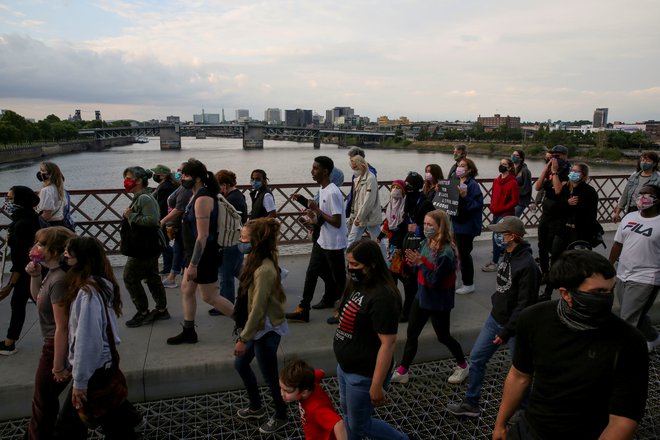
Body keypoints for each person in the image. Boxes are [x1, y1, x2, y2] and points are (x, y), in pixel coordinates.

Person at [492, 250, 648, 440]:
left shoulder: (628, 340)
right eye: (597, 292)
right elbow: (519, 376)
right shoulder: (534, 319)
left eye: (610, 290)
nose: (607, 297)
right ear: (566, 294)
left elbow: (623, 419)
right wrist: (500, 424)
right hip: (532, 429)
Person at [446, 217, 540, 418]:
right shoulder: (507, 254)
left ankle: (525, 410)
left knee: (520, 370)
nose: (497, 236)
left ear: (513, 236)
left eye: (501, 233)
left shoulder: (528, 266)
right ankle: (471, 403)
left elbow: (525, 304)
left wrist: (507, 331)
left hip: (515, 328)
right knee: (477, 359)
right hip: (494, 319)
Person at [55, 236, 141, 439]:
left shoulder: (88, 293)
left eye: (68, 254)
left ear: (81, 259)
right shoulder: (100, 284)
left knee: (66, 427)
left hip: (93, 369)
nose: (64, 257)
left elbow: (87, 339)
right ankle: (130, 420)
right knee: (113, 420)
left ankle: (129, 421)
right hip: (102, 365)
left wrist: (80, 381)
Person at [333, 239, 408, 440]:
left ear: (372, 265)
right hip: (345, 367)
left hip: (363, 374)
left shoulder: (383, 296)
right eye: (348, 263)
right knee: (349, 417)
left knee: (360, 425)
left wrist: (376, 385)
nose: (350, 269)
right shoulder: (358, 283)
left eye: (355, 265)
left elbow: (388, 343)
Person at [391, 209, 468, 385]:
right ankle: (403, 370)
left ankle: (463, 365)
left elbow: (434, 279)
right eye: (424, 224)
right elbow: (419, 271)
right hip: (422, 295)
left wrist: (420, 263)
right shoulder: (427, 243)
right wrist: (407, 264)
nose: (425, 228)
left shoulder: (447, 252)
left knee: (443, 336)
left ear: (440, 226)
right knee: (412, 333)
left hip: (438, 301)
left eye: (430, 225)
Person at [167, 159, 234, 344]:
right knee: (187, 290)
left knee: (210, 296)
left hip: (204, 255)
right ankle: (189, 331)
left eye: (185, 175)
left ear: (196, 178)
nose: (182, 178)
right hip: (194, 253)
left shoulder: (203, 199)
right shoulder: (194, 195)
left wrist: (194, 264)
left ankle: (248, 324)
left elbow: (203, 236)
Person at [233, 218, 289, 434]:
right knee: (240, 365)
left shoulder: (263, 269)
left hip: (265, 330)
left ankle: (281, 415)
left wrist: (243, 338)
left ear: (256, 241)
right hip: (257, 328)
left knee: (270, 377)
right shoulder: (254, 259)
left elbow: (258, 309)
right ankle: (256, 407)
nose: (240, 240)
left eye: (244, 238)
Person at [24, 226, 76, 439]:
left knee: (42, 402)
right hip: (53, 343)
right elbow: (38, 298)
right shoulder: (52, 274)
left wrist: (57, 365)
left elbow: (62, 326)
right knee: (44, 401)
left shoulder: (59, 280)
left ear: (55, 252)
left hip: (54, 345)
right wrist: (35, 275)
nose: (36, 247)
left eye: (42, 244)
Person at [286, 156, 347, 323]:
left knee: (340, 279)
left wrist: (316, 210)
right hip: (322, 240)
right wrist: (310, 212)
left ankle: (345, 313)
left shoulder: (333, 192)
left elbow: (336, 221)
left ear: (326, 171)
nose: (312, 171)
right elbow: (321, 217)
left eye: (315, 168)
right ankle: (303, 309)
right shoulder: (323, 189)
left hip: (334, 243)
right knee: (311, 273)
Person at [609, 184, 660, 352]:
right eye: (641, 193)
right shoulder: (630, 217)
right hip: (623, 272)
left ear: (657, 199)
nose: (643, 197)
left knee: (627, 318)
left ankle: (623, 355)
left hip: (647, 277)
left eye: (648, 194)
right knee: (633, 312)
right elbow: (618, 243)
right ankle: (652, 336)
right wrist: (609, 266)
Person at [540, 162, 599, 301]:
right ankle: (548, 291)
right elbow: (556, 207)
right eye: (572, 170)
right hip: (562, 230)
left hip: (579, 233)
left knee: (575, 263)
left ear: (583, 176)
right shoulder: (566, 188)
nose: (573, 173)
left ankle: (573, 294)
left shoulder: (589, 192)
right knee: (555, 260)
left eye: (576, 171)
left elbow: (590, 215)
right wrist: (567, 203)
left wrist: (572, 206)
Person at [121, 166, 169, 328]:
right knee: (152, 276)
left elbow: (152, 220)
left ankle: (142, 311)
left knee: (130, 277)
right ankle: (161, 309)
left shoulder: (144, 198)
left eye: (129, 178)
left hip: (143, 247)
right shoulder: (142, 196)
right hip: (150, 245)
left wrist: (131, 216)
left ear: (139, 180)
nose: (126, 181)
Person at [0, 186, 40, 355]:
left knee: (42, 304)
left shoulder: (22, 224)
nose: (7, 202)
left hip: (28, 270)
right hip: (33, 267)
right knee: (21, 303)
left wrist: (10, 285)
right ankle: (9, 342)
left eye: (10, 199)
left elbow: (19, 260)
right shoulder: (28, 217)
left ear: (19, 201)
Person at [279, 359, 347, 440]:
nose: (282, 393)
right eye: (281, 388)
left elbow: (338, 424)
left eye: (287, 391)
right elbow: (320, 372)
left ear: (304, 392)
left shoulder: (316, 408)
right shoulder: (309, 380)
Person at [535, 144, 571, 286]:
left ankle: (557, 273)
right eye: (553, 155)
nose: (555, 158)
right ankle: (545, 272)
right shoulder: (550, 170)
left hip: (559, 216)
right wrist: (547, 167)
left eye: (558, 155)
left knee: (554, 248)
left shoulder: (568, 172)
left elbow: (557, 190)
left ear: (565, 156)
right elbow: (538, 186)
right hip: (546, 214)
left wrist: (555, 172)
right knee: (541, 245)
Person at [212, 169, 248, 308]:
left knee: (225, 276)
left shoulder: (229, 200)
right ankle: (257, 288)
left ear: (225, 185)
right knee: (238, 270)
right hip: (237, 239)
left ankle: (226, 305)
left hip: (229, 241)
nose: (219, 190)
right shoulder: (239, 196)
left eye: (219, 186)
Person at [451, 158, 484, 295]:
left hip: (468, 225)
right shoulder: (455, 182)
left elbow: (477, 205)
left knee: (464, 254)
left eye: (463, 166)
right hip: (457, 223)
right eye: (458, 165)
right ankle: (455, 280)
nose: (459, 167)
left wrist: (465, 197)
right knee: (456, 253)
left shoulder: (473, 185)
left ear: (469, 169)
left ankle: (468, 283)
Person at [482, 158, 519, 272]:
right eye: (501, 163)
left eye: (504, 164)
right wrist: (493, 206)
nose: (501, 166)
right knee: (497, 237)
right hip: (496, 213)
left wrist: (502, 208)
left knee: (498, 238)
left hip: (505, 214)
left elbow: (515, 201)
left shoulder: (513, 182)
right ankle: (497, 261)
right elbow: (494, 196)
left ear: (509, 167)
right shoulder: (496, 180)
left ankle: (497, 262)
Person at [160, 163, 192, 289]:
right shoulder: (182, 186)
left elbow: (179, 209)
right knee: (179, 249)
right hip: (180, 224)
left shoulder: (185, 188)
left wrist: (162, 221)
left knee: (181, 249)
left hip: (183, 223)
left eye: (180, 171)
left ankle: (174, 276)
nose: (177, 173)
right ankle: (176, 275)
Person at [346, 154, 382, 248]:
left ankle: (384, 262)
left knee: (377, 240)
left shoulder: (371, 178)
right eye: (353, 168)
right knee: (352, 239)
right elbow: (355, 199)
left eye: (356, 168)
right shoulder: (357, 179)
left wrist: (359, 217)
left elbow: (368, 201)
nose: (354, 170)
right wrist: (353, 215)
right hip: (359, 216)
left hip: (369, 216)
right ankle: (347, 261)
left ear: (362, 165)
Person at [614, 151, 660, 222]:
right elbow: (625, 195)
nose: (644, 163)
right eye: (643, 160)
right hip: (632, 209)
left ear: (654, 163)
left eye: (648, 161)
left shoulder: (658, 179)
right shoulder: (634, 176)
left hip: (648, 212)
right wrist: (617, 212)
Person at [150, 164, 178, 275]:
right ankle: (172, 264)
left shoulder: (164, 188)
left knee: (163, 243)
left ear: (162, 176)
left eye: (156, 173)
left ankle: (169, 265)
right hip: (167, 218)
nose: (154, 175)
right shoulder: (167, 186)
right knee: (164, 242)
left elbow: (162, 206)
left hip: (163, 219)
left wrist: (160, 221)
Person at [344, 147, 377, 218]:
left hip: (363, 206)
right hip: (356, 206)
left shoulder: (370, 171)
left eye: (351, 159)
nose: (350, 161)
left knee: (372, 226)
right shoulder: (356, 172)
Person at [35, 161, 67, 227]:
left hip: (51, 226)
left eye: (42, 170)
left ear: (50, 174)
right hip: (61, 223)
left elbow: (47, 215)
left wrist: (34, 223)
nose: (40, 173)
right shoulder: (59, 188)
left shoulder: (46, 190)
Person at [511, 150, 532, 218]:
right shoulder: (511, 169)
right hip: (511, 200)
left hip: (521, 201)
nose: (513, 156)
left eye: (516, 155)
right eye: (513, 154)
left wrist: (514, 190)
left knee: (513, 220)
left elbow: (527, 187)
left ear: (521, 158)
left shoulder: (525, 171)